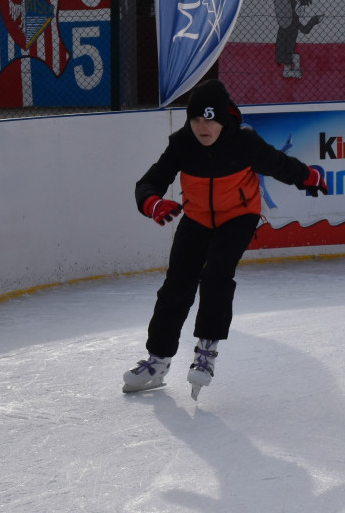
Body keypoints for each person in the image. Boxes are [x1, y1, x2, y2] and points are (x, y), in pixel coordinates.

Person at [122, 79, 328, 398]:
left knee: (216, 274)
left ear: (223, 118)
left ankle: (206, 351)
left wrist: (309, 177)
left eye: (210, 119)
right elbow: (148, 182)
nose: (202, 127)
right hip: (198, 217)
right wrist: (153, 203)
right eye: (196, 120)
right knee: (176, 284)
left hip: (239, 214)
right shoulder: (182, 145)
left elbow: (280, 165)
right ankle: (158, 360)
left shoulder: (244, 143)